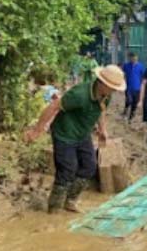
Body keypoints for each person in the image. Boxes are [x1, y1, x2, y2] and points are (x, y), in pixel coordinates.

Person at [32, 64, 125, 213]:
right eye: (112, 87)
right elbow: (54, 106)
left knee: (89, 166)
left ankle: (70, 200)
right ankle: (54, 208)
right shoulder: (79, 95)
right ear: (101, 83)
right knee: (68, 170)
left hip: (82, 134)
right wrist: (37, 130)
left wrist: (103, 129)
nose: (114, 91)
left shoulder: (106, 96)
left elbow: (101, 109)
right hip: (64, 134)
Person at [120, 52, 146, 124]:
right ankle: (125, 110)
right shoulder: (126, 65)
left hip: (137, 88)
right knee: (129, 100)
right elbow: (122, 73)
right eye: (131, 57)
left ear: (137, 57)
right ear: (129, 58)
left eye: (135, 57)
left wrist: (143, 85)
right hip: (128, 87)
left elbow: (144, 76)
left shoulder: (140, 66)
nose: (133, 58)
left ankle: (130, 117)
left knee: (135, 103)